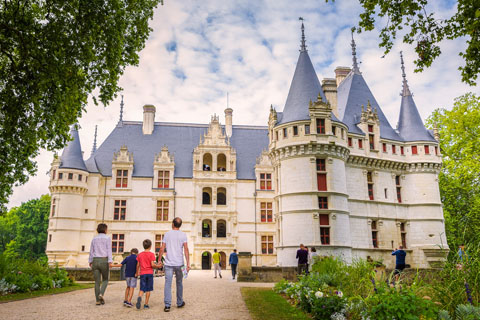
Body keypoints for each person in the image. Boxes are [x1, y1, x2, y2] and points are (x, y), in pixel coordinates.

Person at [159, 217, 190, 312]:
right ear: (180, 225)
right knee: (179, 283)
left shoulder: (167, 234)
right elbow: (186, 249)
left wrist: (159, 260)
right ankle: (179, 302)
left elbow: (162, 248)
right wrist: (188, 263)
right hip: (180, 263)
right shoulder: (183, 235)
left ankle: (167, 305)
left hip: (168, 263)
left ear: (172, 224)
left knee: (167, 284)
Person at [88, 223, 113, 305]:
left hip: (95, 260)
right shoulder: (107, 238)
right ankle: (101, 294)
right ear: (105, 230)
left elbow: (91, 251)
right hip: (104, 260)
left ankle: (97, 300)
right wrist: (110, 261)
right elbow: (109, 250)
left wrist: (90, 261)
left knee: (97, 282)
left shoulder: (94, 239)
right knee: (105, 279)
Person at [135, 239, 157, 310]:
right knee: (148, 289)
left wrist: (137, 272)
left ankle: (140, 297)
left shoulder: (140, 255)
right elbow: (152, 265)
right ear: (150, 246)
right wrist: (158, 266)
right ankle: (146, 304)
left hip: (142, 273)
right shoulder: (151, 254)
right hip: (149, 273)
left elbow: (138, 265)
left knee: (142, 288)